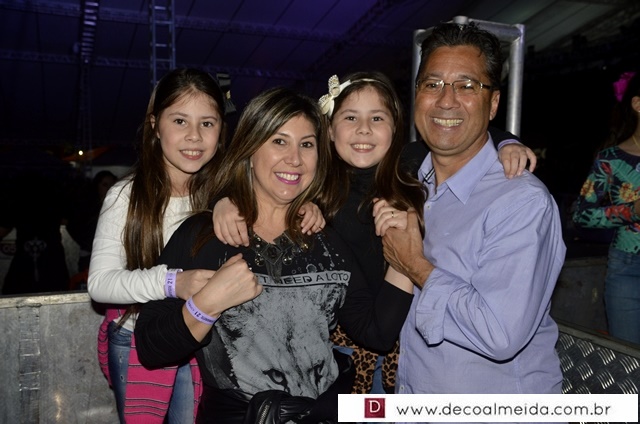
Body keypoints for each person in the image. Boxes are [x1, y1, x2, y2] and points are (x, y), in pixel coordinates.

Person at [212, 71, 537, 396]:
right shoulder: (315, 186)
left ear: (396, 128)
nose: (364, 129)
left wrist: (507, 142)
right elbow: (255, 179)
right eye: (350, 117)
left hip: (418, 346)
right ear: (329, 129)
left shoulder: (412, 165)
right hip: (345, 351)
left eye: (377, 118)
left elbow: (465, 135)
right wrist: (225, 201)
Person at [134, 86, 414, 423]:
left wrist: (405, 254)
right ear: (251, 149)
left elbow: (377, 334)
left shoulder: (325, 240)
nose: (295, 158)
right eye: (279, 141)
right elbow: (150, 348)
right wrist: (206, 304)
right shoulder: (204, 235)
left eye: (306, 145)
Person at [379, 21, 566, 407]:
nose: (446, 100)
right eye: (433, 84)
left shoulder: (521, 202)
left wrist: (415, 265)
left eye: (466, 86)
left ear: (493, 104)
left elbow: (499, 333)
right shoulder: (409, 181)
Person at [87, 68, 232, 424]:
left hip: (204, 342)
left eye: (207, 123)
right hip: (136, 339)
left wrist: (306, 207)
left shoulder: (223, 194)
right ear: (154, 125)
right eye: (180, 121)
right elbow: (100, 283)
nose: (194, 136)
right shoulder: (126, 195)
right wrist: (172, 282)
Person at [572, 70, 640, 345]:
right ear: (637, 104)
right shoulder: (610, 159)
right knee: (629, 358)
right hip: (628, 269)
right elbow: (581, 215)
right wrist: (632, 211)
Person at [66, 170, 118, 290]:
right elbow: (72, 226)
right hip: (89, 258)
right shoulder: (87, 207)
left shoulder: (119, 206)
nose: (109, 188)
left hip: (112, 258)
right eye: (104, 185)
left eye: (112, 185)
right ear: (97, 186)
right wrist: (88, 244)